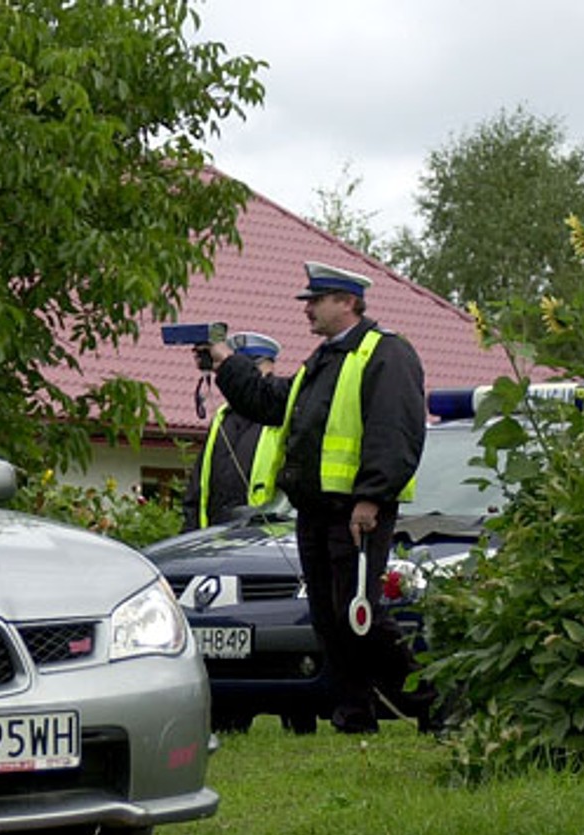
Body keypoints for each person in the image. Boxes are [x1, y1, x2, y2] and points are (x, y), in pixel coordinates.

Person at [209, 261, 427, 734]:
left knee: (357, 612)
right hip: (314, 510)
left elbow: (394, 433)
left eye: (316, 300)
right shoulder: (322, 361)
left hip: (356, 511)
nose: (307, 308)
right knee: (330, 618)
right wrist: (227, 363)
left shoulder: (386, 354)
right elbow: (271, 402)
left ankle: (429, 698)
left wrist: (370, 497)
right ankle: (353, 713)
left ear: (346, 303)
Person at [180, 333, 279, 532]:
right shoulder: (222, 418)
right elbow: (198, 489)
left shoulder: (280, 417)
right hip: (214, 540)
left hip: (265, 542)